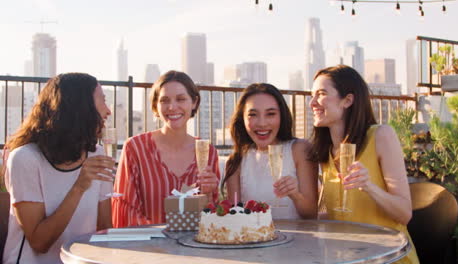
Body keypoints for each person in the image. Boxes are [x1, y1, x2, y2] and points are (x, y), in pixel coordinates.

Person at [309, 65, 419, 263]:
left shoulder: (381, 136)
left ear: (348, 100)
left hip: (388, 257)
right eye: (312, 95)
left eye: (321, 94)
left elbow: (404, 214)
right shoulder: (325, 152)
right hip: (347, 257)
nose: (312, 103)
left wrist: (369, 187)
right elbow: (333, 217)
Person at [2, 73, 115, 264]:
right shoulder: (25, 159)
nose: (108, 110)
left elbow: (104, 229)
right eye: (102, 100)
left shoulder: (96, 154)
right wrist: (79, 187)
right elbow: (39, 243)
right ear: (80, 108)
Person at [112, 70, 220, 227]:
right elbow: (125, 208)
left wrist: (209, 194)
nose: (172, 107)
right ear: (156, 105)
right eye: (164, 100)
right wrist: (159, 240)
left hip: (195, 247)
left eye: (181, 99)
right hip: (149, 248)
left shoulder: (208, 152)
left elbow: (213, 215)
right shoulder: (135, 148)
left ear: (194, 102)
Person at [222, 83, 317, 220]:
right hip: (254, 239)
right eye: (253, 115)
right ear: (242, 119)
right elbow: (234, 217)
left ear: (281, 116)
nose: (262, 123)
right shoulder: (236, 161)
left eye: (270, 114)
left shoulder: (299, 149)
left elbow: (311, 214)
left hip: (297, 240)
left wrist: (295, 194)